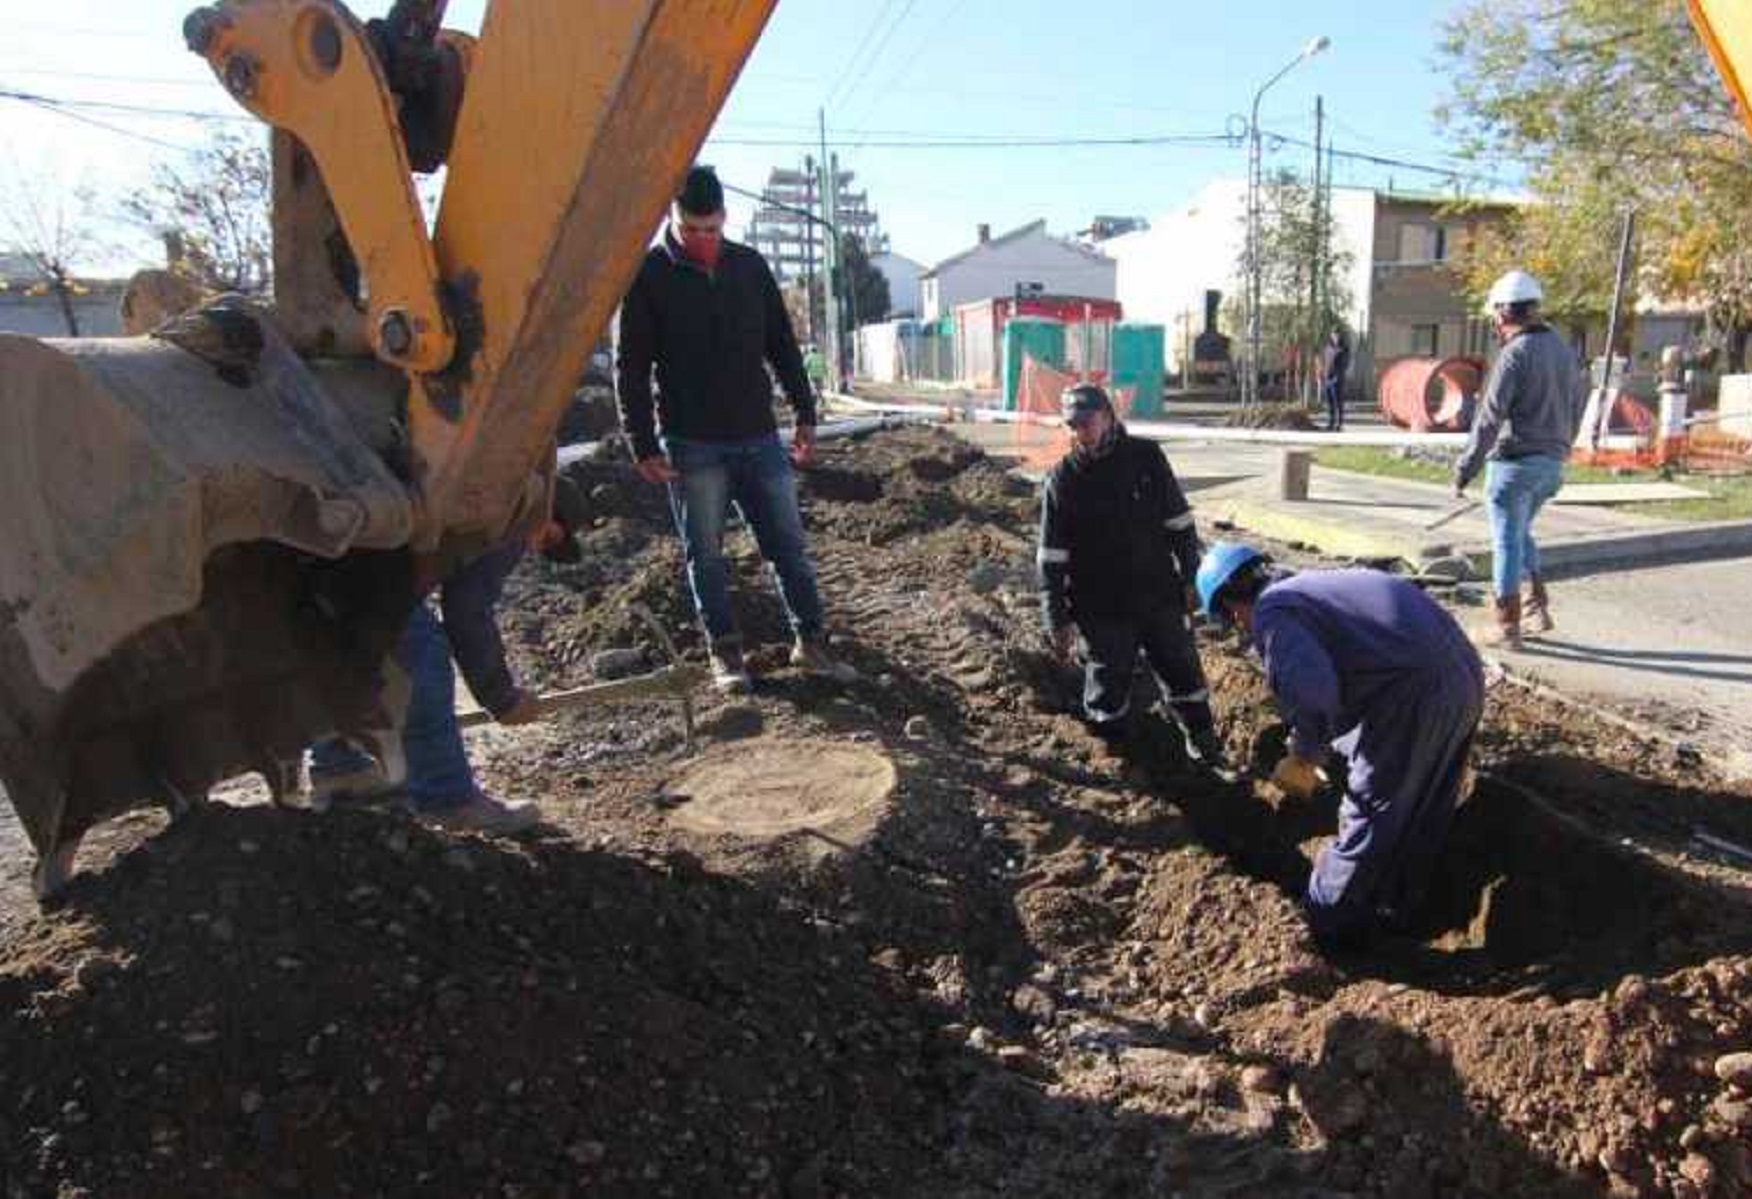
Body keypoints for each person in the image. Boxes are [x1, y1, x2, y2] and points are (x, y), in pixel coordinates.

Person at [616, 164, 855, 693]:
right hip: (693, 444)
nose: (702, 240)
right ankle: (725, 654)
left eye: (711, 229)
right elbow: (630, 366)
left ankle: (811, 642)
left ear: (725, 218)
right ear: (675, 221)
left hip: (758, 435)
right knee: (706, 553)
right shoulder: (650, 277)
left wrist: (805, 410)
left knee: (788, 546)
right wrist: (642, 442)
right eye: (691, 230)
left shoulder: (749, 268)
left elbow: (782, 344)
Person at [1195, 542, 1485, 947]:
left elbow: (1312, 693)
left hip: (1413, 694)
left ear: (1231, 602)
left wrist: (1304, 756)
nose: (1241, 628)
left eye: (1233, 620)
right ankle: (1401, 910)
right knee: (1424, 804)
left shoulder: (1274, 610)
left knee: (1369, 810)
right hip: (1464, 674)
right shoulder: (1312, 587)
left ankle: (1324, 926)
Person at [308, 476, 589, 831]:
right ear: (546, 507)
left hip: (329, 551)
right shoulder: (516, 513)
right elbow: (466, 611)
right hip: (368, 562)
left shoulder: (479, 489)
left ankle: (340, 769)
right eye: (548, 537)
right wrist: (502, 699)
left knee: (343, 653)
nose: (534, 547)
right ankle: (447, 798)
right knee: (424, 659)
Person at [1037, 384, 1228, 769]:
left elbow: (1179, 523)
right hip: (1100, 608)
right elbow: (1051, 558)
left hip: (1158, 596)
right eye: (1072, 426)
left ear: (1108, 416)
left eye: (1086, 423)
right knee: (1108, 690)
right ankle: (1123, 767)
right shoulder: (1063, 479)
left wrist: (1193, 578)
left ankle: (1204, 749)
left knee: (1183, 673)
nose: (1079, 433)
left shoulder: (1146, 458)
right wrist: (1055, 617)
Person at [1452, 269, 1587, 649]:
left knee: (1506, 541)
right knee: (1520, 530)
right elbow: (1576, 408)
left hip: (1514, 464)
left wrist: (1464, 470)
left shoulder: (1514, 355)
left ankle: (1506, 625)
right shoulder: (1563, 351)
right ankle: (1535, 607)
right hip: (1551, 465)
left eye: (1495, 315)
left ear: (1503, 313)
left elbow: (1489, 419)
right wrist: (1560, 449)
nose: (1494, 322)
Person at [1320, 328, 1350, 432]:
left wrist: (1338, 376)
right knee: (1330, 402)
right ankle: (1331, 422)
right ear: (1331, 335)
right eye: (1333, 334)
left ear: (1340, 335)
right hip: (1328, 378)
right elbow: (1325, 362)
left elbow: (1345, 364)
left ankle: (1340, 424)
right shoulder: (1328, 348)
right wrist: (1323, 375)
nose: (1335, 336)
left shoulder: (1344, 348)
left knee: (1338, 402)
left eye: (1337, 334)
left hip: (1338, 379)